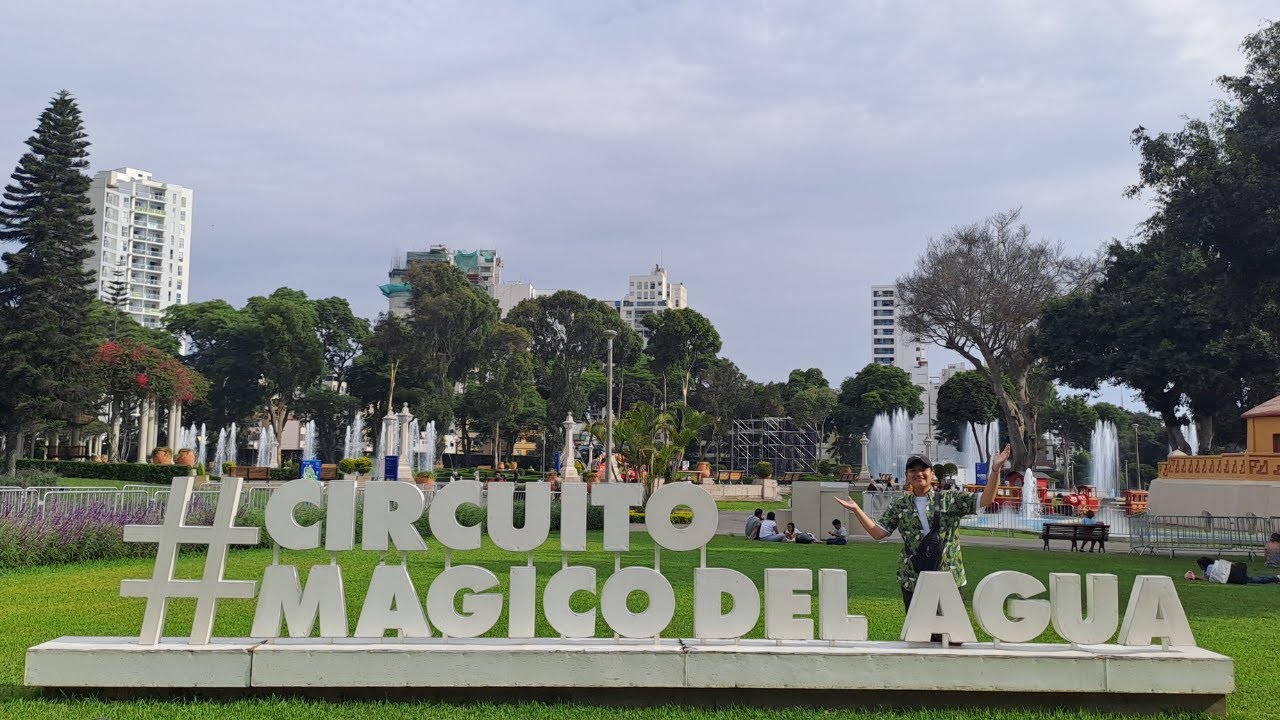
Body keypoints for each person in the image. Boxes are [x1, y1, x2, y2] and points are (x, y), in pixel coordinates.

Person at [835, 445, 1012, 644]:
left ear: (932, 474)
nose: (918, 473)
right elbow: (878, 533)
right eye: (913, 470)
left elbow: (986, 499)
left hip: (948, 576)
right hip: (913, 577)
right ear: (907, 476)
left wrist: (995, 470)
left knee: (953, 638)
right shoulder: (900, 505)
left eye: (923, 469)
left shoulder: (949, 499)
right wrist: (857, 509)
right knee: (919, 637)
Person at [1185, 556, 1280, 585]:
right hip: (1237, 570)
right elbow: (1229, 563)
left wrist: (1195, 577)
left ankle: (1275, 578)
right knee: (1255, 579)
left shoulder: (1209, 569)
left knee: (1256, 580)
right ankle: (1274, 578)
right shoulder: (1214, 564)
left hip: (1234, 576)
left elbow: (1208, 578)